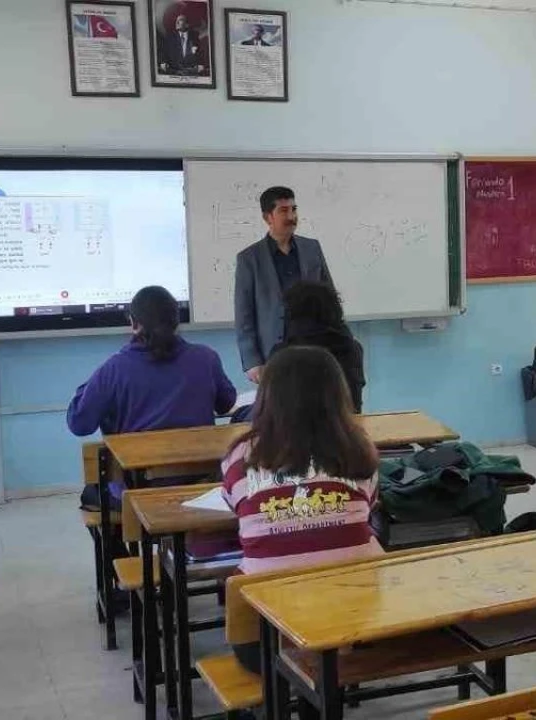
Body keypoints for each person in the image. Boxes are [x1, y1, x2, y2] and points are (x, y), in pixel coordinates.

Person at [220, 346, 382, 674]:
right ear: (338, 396)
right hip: (357, 623)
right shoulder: (359, 451)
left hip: (266, 640)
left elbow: (236, 506)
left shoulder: (240, 456)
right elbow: (369, 505)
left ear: (266, 398)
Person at [67, 285, 236, 504]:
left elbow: (79, 424)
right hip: (204, 488)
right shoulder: (206, 358)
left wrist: (90, 385)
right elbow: (226, 403)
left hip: (138, 494)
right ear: (176, 322)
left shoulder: (114, 369)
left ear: (134, 324)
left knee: (91, 493)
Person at [234, 186, 334, 384]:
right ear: (267, 217)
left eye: (293, 209)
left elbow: (329, 299)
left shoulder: (311, 248)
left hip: (314, 347)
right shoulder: (249, 258)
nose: (291, 216)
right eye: (283, 210)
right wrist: (252, 361)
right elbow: (244, 313)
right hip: (273, 353)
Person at [274, 281, 365, 412]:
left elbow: (272, 408)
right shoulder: (352, 348)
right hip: (343, 423)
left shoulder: (280, 354)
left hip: (292, 425)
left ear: (291, 314)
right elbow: (355, 402)